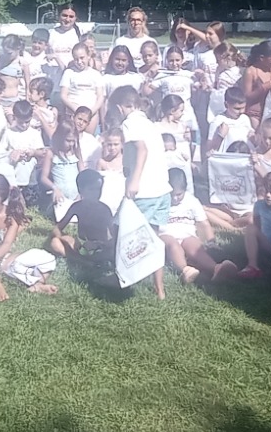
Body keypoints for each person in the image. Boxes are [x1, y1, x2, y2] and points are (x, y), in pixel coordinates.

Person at [0, 174, 57, 300]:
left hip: (1, 258)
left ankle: (38, 284)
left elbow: (7, 244)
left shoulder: (11, 215)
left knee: (47, 259)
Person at [108, 84, 172, 233]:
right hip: (162, 190)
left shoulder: (129, 123)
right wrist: (127, 167)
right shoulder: (149, 123)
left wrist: (134, 181)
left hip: (145, 192)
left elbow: (142, 149)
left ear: (119, 109)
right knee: (151, 235)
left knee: (123, 231)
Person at [158, 166, 236, 283]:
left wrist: (211, 241)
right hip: (166, 234)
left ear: (185, 189)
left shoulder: (191, 201)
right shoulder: (160, 202)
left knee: (194, 246)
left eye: (179, 194)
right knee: (173, 245)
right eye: (171, 194)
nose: (174, 198)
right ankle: (185, 270)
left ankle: (216, 268)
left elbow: (203, 223)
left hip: (187, 234)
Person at [49, 169, 116, 264]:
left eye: (99, 189)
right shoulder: (77, 207)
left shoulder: (104, 210)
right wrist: (63, 237)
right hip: (81, 246)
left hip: (99, 247)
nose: (96, 193)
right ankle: (82, 261)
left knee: (111, 253)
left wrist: (98, 244)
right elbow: (57, 228)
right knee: (55, 242)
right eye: (92, 189)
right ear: (81, 190)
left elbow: (114, 237)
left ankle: (85, 262)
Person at [2, 99, 49, 191]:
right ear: (14, 117)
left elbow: (42, 153)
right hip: (13, 179)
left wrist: (33, 152)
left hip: (30, 179)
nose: (24, 125)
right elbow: (2, 153)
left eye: (27, 122)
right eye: (20, 122)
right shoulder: (8, 133)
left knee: (31, 199)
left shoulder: (34, 133)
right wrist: (12, 154)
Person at [59, 43, 106, 131]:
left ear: (88, 56)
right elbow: (63, 95)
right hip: (73, 113)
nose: (79, 62)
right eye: (76, 59)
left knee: (88, 137)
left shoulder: (96, 74)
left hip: (91, 113)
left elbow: (100, 97)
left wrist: (90, 112)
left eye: (82, 58)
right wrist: (76, 110)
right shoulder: (69, 73)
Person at [208, 87, 254, 155]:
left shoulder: (245, 118)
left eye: (243, 108)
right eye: (237, 108)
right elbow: (209, 149)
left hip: (244, 158)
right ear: (226, 105)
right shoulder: (218, 121)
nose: (241, 111)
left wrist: (253, 137)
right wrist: (220, 136)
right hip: (227, 158)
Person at [46, 4, 82, 77]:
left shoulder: (79, 34)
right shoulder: (50, 33)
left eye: (71, 16)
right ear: (59, 16)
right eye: (64, 15)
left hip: (72, 73)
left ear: (75, 18)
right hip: (52, 73)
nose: (67, 19)